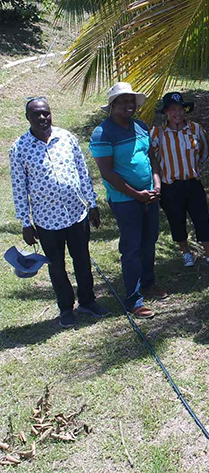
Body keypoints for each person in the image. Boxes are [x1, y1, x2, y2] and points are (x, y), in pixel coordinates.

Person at [10, 97, 110, 327]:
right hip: (47, 221)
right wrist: (26, 223)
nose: (42, 117)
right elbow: (19, 188)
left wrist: (92, 204)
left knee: (82, 260)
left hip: (77, 214)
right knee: (56, 266)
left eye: (46, 112)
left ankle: (87, 301)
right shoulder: (19, 148)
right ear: (28, 118)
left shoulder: (66, 138)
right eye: (36, 114)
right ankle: (66, 308)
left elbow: (82, 172)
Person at [90, 82, 166, 319]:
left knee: (149, 240)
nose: (129, 105)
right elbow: (108, 173)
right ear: (112, 105)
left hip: (149, 195)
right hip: (125, 200)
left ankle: (148, 281)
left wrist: (157, 184)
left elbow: (152, 158)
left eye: (131, 101)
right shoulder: (103, 133)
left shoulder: (141, 127)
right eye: (123, 101)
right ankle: (133, 299)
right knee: (132, 247)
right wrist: (136, 194)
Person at [150, 92, 209, 271]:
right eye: (172, 110)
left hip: (192, 183)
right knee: (176, 220)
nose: (177, 113)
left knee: (202, 219)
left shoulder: (195, 129)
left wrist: (193, 167)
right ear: (166, 112)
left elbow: (204, 151)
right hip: (170, 185)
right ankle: (186, 253)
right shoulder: (157, 132)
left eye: (180, 109)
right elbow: (151, 156)